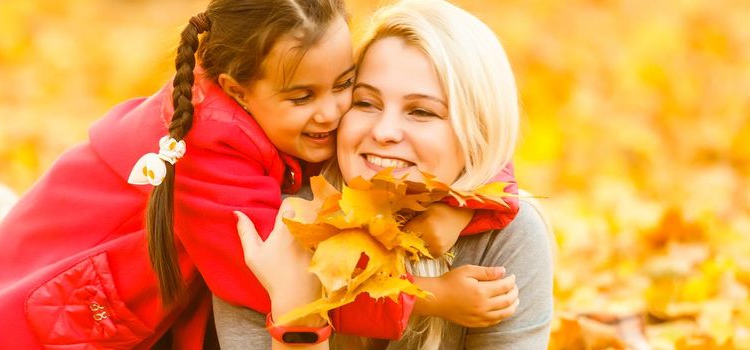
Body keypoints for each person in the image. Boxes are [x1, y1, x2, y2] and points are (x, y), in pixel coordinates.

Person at [0, 0, 520, 348]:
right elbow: (272, 279)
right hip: (88, 279)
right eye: (305, 95)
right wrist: (429, 298)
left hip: (155, 273)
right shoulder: (212, 146)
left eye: (346, 88)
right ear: (239, 90)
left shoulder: (312, 103)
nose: (337, 113)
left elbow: (463, 131)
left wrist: (460, 205)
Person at [225, 0, 553, 348]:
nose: (384, 132)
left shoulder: (506, 235)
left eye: (421, 111)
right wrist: (299, 320)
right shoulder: (279, 225)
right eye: (366, 103)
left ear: (478, 132)